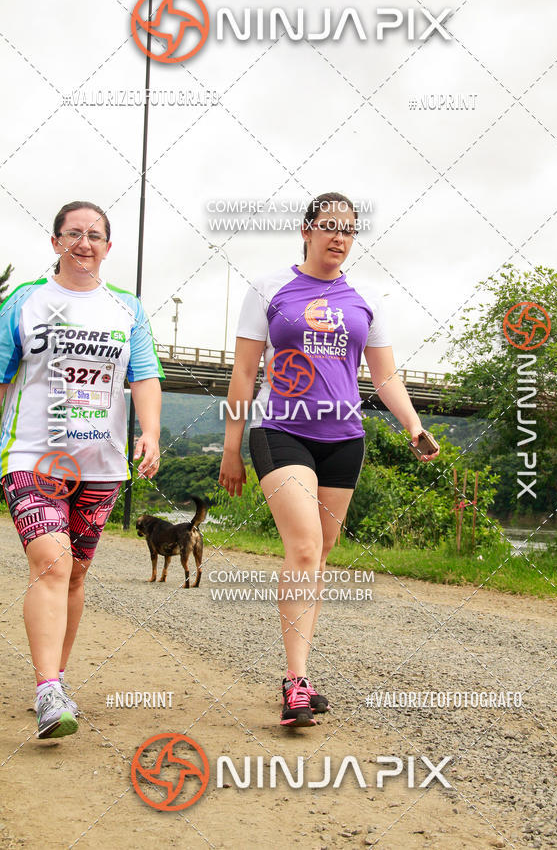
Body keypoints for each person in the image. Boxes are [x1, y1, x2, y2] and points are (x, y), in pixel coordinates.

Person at [218, 191, 439, 728]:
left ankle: (301, 669)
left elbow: (385, 377)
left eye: (349, 229)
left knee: (320, 558)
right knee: (304, 548)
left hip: (344, 440)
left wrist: (413, 425)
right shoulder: (270, 290)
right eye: (329, 226)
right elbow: (246, 372)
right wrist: (231, 445)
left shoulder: (366, 301)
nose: (339, 237)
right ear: (306, 230)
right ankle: (296, 682)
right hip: (280, 431)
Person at [0, 200, 163, 739]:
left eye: (94, 235)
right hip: (33, 457)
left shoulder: (127, 310)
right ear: (55, 242)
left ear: (109, 247)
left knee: (76, 572)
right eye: (73, 233)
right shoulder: (25, 302)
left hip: (102, 465)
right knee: (51, 562)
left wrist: (151, 433)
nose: (83, 243)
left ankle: (57, 679)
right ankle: (47, 693)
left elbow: (146, 378)